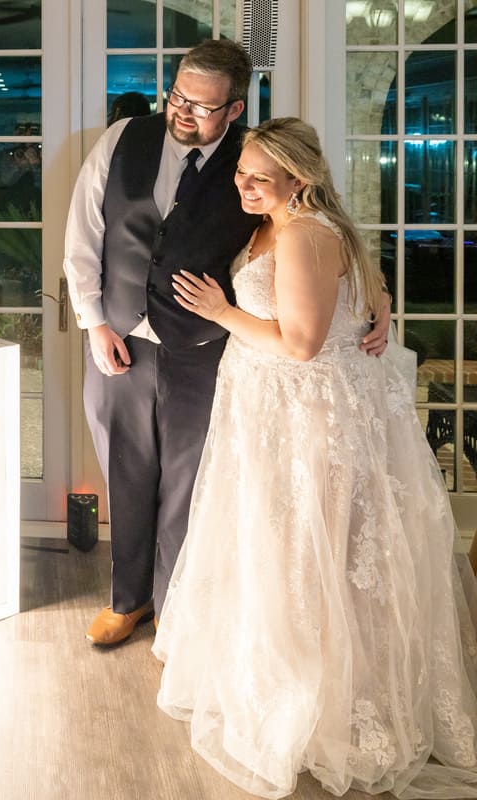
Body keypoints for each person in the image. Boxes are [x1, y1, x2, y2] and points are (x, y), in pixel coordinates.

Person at [156, 116, 477, 798]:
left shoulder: (302, 233)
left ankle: (322, 702)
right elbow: (352, 288)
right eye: (241, 173)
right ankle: (279, 676)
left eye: (258, 179)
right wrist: (381, 298)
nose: (242, 186)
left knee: (310, 555)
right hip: (270, 412)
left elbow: (301, 344)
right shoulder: (276, 222)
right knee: (278, 550)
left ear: (298, 179)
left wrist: (220, 311)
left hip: (305, 419)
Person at [62, 37, 392, 647]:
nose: (183, 112)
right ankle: (127, 599)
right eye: (178, 96)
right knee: (126, 472)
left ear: (236, 109)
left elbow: (321, 235)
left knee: (193, 483)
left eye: (203, 106)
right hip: (120, 339)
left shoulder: (259, 163)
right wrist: (94, 323)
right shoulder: (120, 141)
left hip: (210, 347)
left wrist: (377, 299)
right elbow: (83, 235)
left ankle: (176, 611)